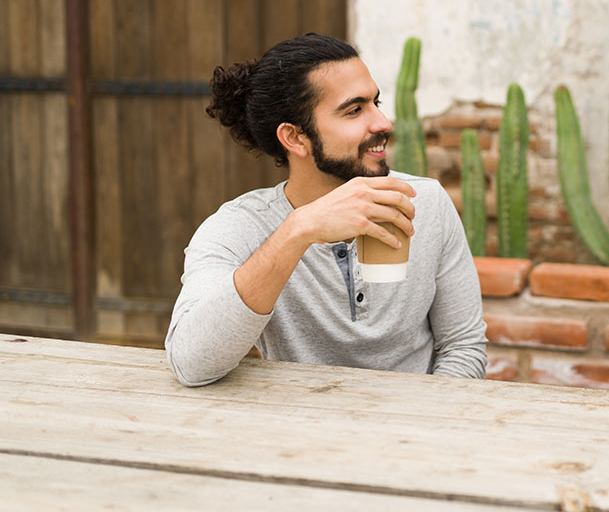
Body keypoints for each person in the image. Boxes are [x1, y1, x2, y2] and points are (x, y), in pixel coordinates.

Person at [166, 34, 487, 386]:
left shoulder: (425, 202)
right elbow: (191, 364)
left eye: (376, 102)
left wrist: (418, 426)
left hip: (417, 428)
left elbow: (463, 347)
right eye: (354, 110)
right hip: (299, 430)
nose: (382, 122)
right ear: (295, 138)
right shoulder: (239, 228)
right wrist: (297, 231)